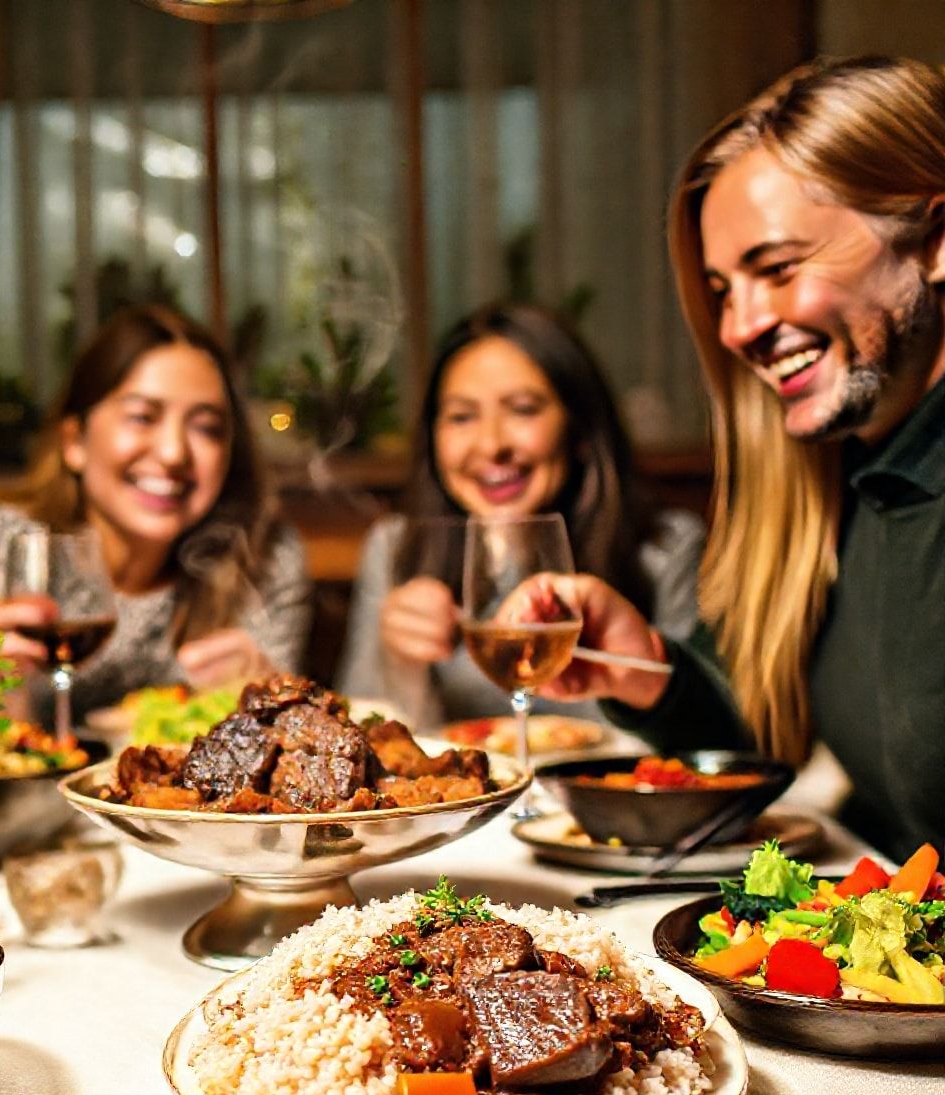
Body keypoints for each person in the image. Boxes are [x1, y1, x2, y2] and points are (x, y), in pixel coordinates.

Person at [525, 56, 945, 860]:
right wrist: (643, 665)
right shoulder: (838, 478)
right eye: (722, 289)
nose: (737, 328)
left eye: (778, 269)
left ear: (934, 241)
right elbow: (755, 741)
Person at [0, 304, 312, 721]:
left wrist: (270, 708)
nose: (173, 453)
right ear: (74, 441)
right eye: (142, 417)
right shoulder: (0, 542)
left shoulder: (261, 554)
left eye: (206, 427)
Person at [335, 302, 704, 725]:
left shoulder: (665, 547)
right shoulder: (396, 545)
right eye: (461, 417)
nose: (492, 445)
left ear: (581, 429)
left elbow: (695, 737)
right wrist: (400, 661)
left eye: (523, 409)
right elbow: (365, 735)